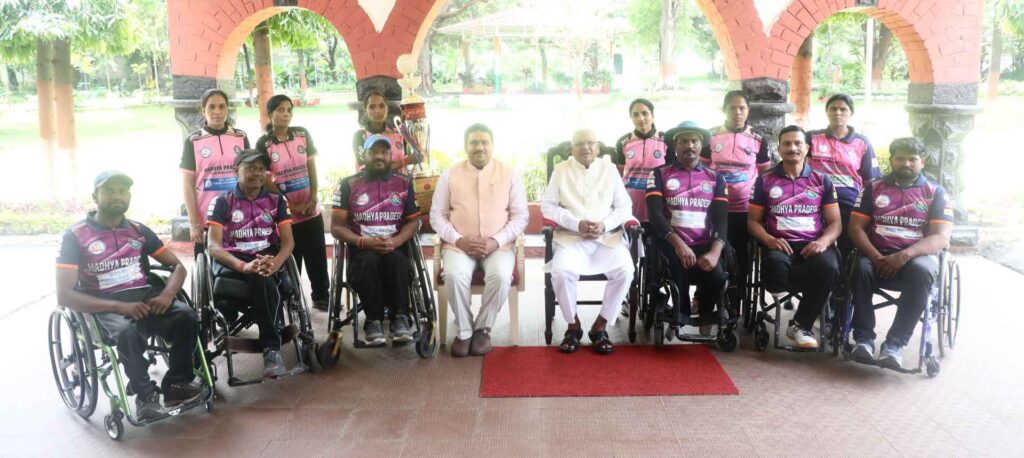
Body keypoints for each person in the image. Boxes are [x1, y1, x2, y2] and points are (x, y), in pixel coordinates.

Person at [56, 171, 203, 421]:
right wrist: (118, 306)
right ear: (95, 196)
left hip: (145, 297)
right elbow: (65, 296)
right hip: (104, 305)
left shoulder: (138, 230)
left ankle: (177, 385)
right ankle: (145, 396)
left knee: (186, 316)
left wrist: (167, 295)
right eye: (109, 191)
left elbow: (177, 266)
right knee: (127, 331)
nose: (117, 196)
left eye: (123, 191)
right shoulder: (76, 236)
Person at [847, 137, 954, 369]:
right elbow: (855, 228)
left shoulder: (936, 192)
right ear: (891, 160)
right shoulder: (873, 188)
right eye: (900, 158)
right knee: (860, 268)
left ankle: (895, 344)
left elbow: (940, 237)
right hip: (877, 255)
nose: (906, 163)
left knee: (923, 271)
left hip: (916, 258)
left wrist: (904, 256)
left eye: (912, 159)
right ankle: (863, 339)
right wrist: (876, 257)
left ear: (922, 161)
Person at [430, 124, 529, 357]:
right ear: (466, 147)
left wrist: (496, 240)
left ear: (492, 146)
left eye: (484, 142)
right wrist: (459, 240)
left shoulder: (509, 173)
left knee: (501, 276)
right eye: (474, 143)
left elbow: (520, 216)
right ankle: (465, 331)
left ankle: (483, 329)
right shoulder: (450, 174)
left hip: (498, 246)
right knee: (454, 275)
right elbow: (437, 216)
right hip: (459, 246)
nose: (479, 147)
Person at [748, 125, 842, 349]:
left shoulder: (822, 180)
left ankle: (800, 325)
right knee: (775, 266)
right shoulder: (764, 180)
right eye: (787, 144)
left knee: (829, 267)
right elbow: (752, 221)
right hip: (779, 246)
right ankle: (810, 297)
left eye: (798, 143)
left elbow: (835, 223)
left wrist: (822, 242)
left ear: (807, 148)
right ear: (779, 149)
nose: (792, 148)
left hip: (813, 245)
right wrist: (769, 240)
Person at [542, 129, 635, 355]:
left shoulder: (609, 170)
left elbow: (624, 207)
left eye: (590, 143)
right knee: (561, 273)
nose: (586, 147)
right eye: (580, 144)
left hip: (607, 238)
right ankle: (573, 326)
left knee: (626, 270)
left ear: (598, 147)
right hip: (571, 238)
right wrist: (576, 224)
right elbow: (548, 207)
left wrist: (604, 224)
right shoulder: (561, 170)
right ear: (571, 148)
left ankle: (600, 327)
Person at [206, 150, 295, 378]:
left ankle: (271, 348)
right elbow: (213, 246)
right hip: (233, 262)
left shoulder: (276, 201)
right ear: (236, 171)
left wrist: (276, 263)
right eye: (250, 168)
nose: (257, 173)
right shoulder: (222, 202)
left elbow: (288, 242)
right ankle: (271, 348)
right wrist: (242, 266)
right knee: (260, 276)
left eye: (261, 169)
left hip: (267, 258)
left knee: (262, 275)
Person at [331, 134, 420, 346]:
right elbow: (336, 227)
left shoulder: (404, 183)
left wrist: (396, 241)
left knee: (398, 261)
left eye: (384, 152)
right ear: (364, 155)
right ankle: (373, 320)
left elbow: (413, 223)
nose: (379, 156)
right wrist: (364, 242)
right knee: (369, 262)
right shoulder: (348, 184)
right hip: (362, 250)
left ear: (390, 155)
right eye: (374, 152)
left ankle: (400, 317)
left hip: (395, 246)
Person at [646, 121, 729, 329]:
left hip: (705, 242)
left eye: (694, 141)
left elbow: (721, 219)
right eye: (684, 141)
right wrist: (679, 245)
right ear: (675, 145)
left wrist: (715, 253)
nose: (689, 145)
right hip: (671, 242)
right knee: (678, 266)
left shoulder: (716, 178)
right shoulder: (659, 173)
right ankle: (680, 315)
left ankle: (706, 313)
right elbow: (655, 214)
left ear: (701, 145)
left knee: (718, 275)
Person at [255, 94, 329, 311]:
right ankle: (294, 300)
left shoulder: (301, 134)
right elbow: (266, 180)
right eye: (280, 110)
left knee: (317, 254)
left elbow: (311, 167)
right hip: (286, 212)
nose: (285, 114)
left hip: (310, 208)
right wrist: (289, 205)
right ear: (270, 114)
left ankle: (321, 295)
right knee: (291, 256)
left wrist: (313, 197)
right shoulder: (264, 143)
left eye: (288, 110)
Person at [700, 91, 772, 307]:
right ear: (724, 109)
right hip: (714, 209)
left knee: (741, 256)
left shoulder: (758, 138)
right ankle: (706, 300)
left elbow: (764, 176)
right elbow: (702, 171)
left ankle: (736, 300)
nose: (737, 112)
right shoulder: (710, 136)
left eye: (742, 108)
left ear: (748, 110)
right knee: (712, 252)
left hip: (745, 210)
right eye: (732, 107)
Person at [806, 94, 881, 256]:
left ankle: (844, 269)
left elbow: (871, 180)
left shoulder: (862, 142)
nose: (837, 113)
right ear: (827, 112)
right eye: (833, 108)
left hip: (849, 202)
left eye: (843, 109)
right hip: (815, 199)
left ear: (851, 113)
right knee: (816, 243)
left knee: (847, 244)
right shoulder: (811, 138)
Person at [181, 88, 251, 254]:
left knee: (242, 263)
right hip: (207, 218)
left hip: (239, 216)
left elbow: (250, 176)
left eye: (221, 106)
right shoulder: (193, 140)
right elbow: (187, 184)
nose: (217, 112)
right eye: (211, 107)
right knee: (208, 266)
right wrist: (194, 223)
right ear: (203, 110)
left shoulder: (240, 137)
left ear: (227, 109)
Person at [613, 98, 668, 223]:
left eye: (645, 113)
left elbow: (670, 174)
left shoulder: (665, 140)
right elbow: (619, 173)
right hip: (630, 202)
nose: (641, 118)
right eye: (636, 115)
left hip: (657, 201)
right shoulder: (623, 141)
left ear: (652, 115)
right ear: (631, 117)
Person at [351, 90, 415, 174]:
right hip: (373, 183)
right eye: (372, 107)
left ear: (387, 109)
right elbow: (368, 170)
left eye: (381, 106)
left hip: (401, 182)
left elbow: (410, 156)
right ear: (365, 112)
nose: (377, 111)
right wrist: (404, 162)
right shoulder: (360, 136)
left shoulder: (397, 133)